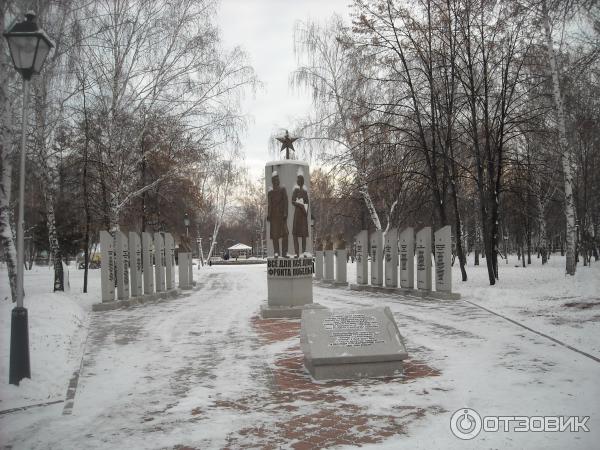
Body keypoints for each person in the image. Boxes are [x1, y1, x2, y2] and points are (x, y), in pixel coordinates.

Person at [267, 171, 289, 257]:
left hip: (281, 215)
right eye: (275, 180)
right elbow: (270, 204)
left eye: (278, 179)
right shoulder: (270, 192)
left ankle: (285, 252)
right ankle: (276, 252)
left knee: (285, 234)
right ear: (273, 181)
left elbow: (286, 202)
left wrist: (285, 213)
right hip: (273, 216)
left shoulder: (283, 190)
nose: (277, 181)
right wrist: (268, 214)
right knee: (275, 235)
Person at [291, 171, 309, 257]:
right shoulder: (295, 190)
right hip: (297, 214)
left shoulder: (305, 192)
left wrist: (306, 210)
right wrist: (300, 205)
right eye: (298, 180)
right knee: (295, 234)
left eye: (300, 180)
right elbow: (292, 201)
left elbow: (307, 203)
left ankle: (304, 252)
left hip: (303, 216)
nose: (299, 181)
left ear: (302, 181)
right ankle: (297, 253)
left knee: (303, 235)